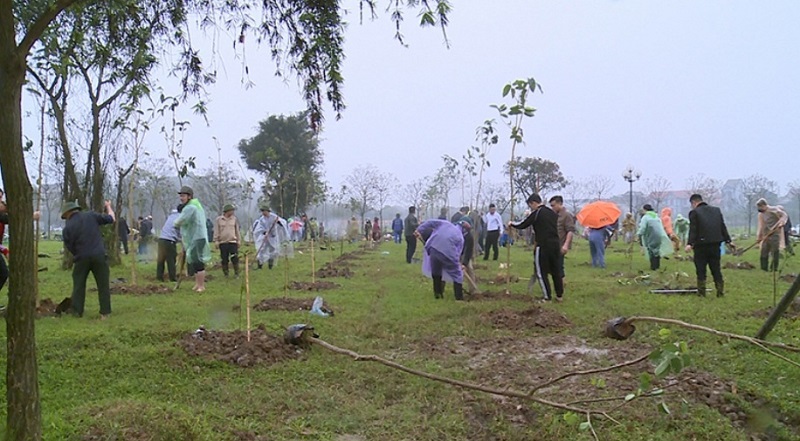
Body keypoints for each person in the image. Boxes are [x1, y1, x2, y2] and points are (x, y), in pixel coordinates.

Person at [61, 199, 115, 319]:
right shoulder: (91, 215)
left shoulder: (68, 227)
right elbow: (111, 219)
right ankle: (105, 312)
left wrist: (78, 254)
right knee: (103, 284)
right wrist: (108, 206)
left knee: (79, 285)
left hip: (81, 258)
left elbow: (70, 246)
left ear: (67, 213)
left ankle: (77, 311)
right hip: (99, 255)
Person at [508, 194, 563, 302]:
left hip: (543, 245)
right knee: (555, 270)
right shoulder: (552, 213)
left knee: (541, 272)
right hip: (555, 244)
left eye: (530, 205)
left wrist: (512, 224)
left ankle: (547, 297)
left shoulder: (537, 213)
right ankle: (559, 295)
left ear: (533, 203)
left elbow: (523, 224)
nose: (531, 208)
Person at [686, 194, 733, 297]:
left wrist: (690, 244)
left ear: (693, 203)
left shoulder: (694, 212)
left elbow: (693, 229)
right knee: (716, 269)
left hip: (700, 247)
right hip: (715, 245)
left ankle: (702, 292)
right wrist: (728, 240)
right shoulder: (716, 210)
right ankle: (720, 292)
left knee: (701, 269)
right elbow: (722, 226)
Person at [415, 219, 465, 300]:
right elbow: (458, 251)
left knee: (436, 272)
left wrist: (419, 229)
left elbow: (429, 222)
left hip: (433, 249)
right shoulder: (460, 236)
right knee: (457, 275)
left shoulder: (444, 223)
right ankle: (459, 298)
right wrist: (458, 263)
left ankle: (438, 295)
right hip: (448, 254)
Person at [173, 186, 211, 292]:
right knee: (194, 261)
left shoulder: (190, 207)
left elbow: (179, 221)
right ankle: (197, 284)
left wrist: (175, 223)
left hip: (197, 237)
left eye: (183, 196)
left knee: (198, 261)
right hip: (196, 236)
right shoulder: (195, 205)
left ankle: (201, 285)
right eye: (180, 196)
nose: (181, 198)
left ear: (189, 197)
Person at [637, 204, 672, 271]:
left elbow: (643, 228)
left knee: (651, 250)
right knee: (657, 250)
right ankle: (657, 266)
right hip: (659, 235)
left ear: (645, 209)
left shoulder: (645, 217)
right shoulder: (656, 216)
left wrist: (639, 234)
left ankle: (653, 267)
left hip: (651, 235)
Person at [756, 199, 788, 272]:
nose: (759, 209)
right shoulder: (761, 214)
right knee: (764, 251)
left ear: (764, 205)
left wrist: (782, 222)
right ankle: (764, 268)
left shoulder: (774, 210)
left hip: (775, 234)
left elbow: (784, 215)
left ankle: (774, 268)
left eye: (760, 207)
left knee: (775, 251)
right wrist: (759, 237)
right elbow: (761, 225)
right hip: (766, 235)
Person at [549, 196, 575, 280]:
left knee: (559, 266)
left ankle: (562, 284)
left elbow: (570, 231)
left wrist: (566, 245)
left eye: (553, 205)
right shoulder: (553, 215)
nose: (552, 208)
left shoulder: (567, 215)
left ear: (560, 203)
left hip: (561, 245)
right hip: (553, 244)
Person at [214, 204, 241, 278]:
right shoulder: (219, 220)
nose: (232, 212)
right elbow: (216, 230)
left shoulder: (234, 219)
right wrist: (216, 241)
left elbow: (237, 230)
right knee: (224, 258)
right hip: (223, 242)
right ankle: (226, 273)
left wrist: (238, 240)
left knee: (234, 258)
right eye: (231, 210)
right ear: (227, 211)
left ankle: (236, 273)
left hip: (232, 242)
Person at [157, 206, 181, 282]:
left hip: (161, 239)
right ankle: (172, 278)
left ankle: (159, 277)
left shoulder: (171, 216)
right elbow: (181, 231)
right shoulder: (180, 218)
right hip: (169, 240)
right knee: (171, 260)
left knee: (161, 259)